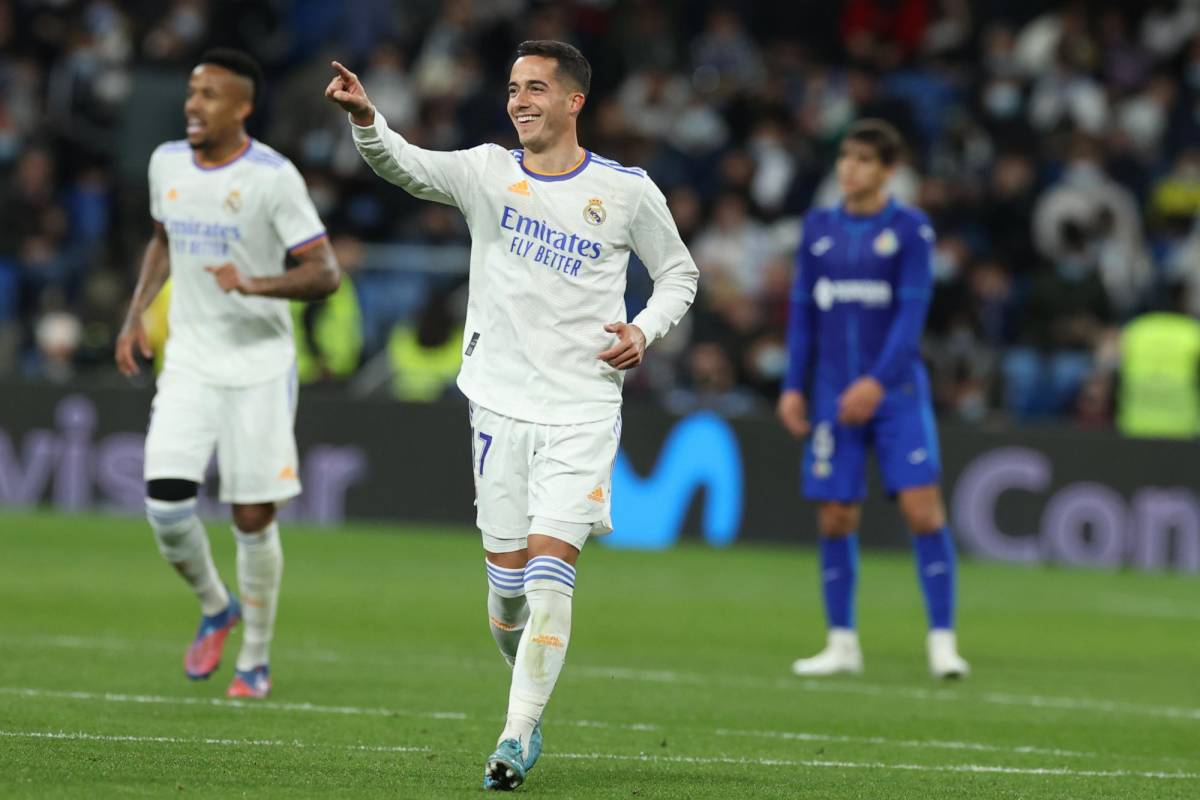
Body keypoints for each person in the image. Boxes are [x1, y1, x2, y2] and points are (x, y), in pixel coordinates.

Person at [325, 40, 698, 790]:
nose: (519, 100)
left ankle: (516, 735)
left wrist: (643, 330)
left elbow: (679, 274)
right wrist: (368, 119)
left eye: (535, 88)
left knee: (551, 574)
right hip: (498, 406)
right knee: (507, 595)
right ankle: (523, 672)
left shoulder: (626, 191)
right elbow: (404, 163)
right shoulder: (488, 173)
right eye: (513, 88)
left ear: (573, 101)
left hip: (583, 408)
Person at [115, 48, 340, 700]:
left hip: (259, 367)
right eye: (192, 91)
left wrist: (256, 283)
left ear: (241, 106)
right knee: (165, 507)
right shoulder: (166, 163)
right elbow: (163, 238)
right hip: (189, 358)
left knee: (249, 517)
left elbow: (325, 272)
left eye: (210, 94)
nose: (193, 104)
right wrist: (135, 315)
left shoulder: (273, 177)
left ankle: (256, 661)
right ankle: (218, 606)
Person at [777, 119, 969, 680]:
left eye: (862, 160)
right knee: (836, 515)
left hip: (896, 392)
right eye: (845, 157)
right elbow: (803, 318)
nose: (848, 168)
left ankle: (942, 641)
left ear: (888, 170)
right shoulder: (817, 228)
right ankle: (841, 643)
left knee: (921, 508)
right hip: (833, 393)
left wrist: (877, 383)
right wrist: (793, 386)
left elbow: (912, 318)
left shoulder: (910, 229)